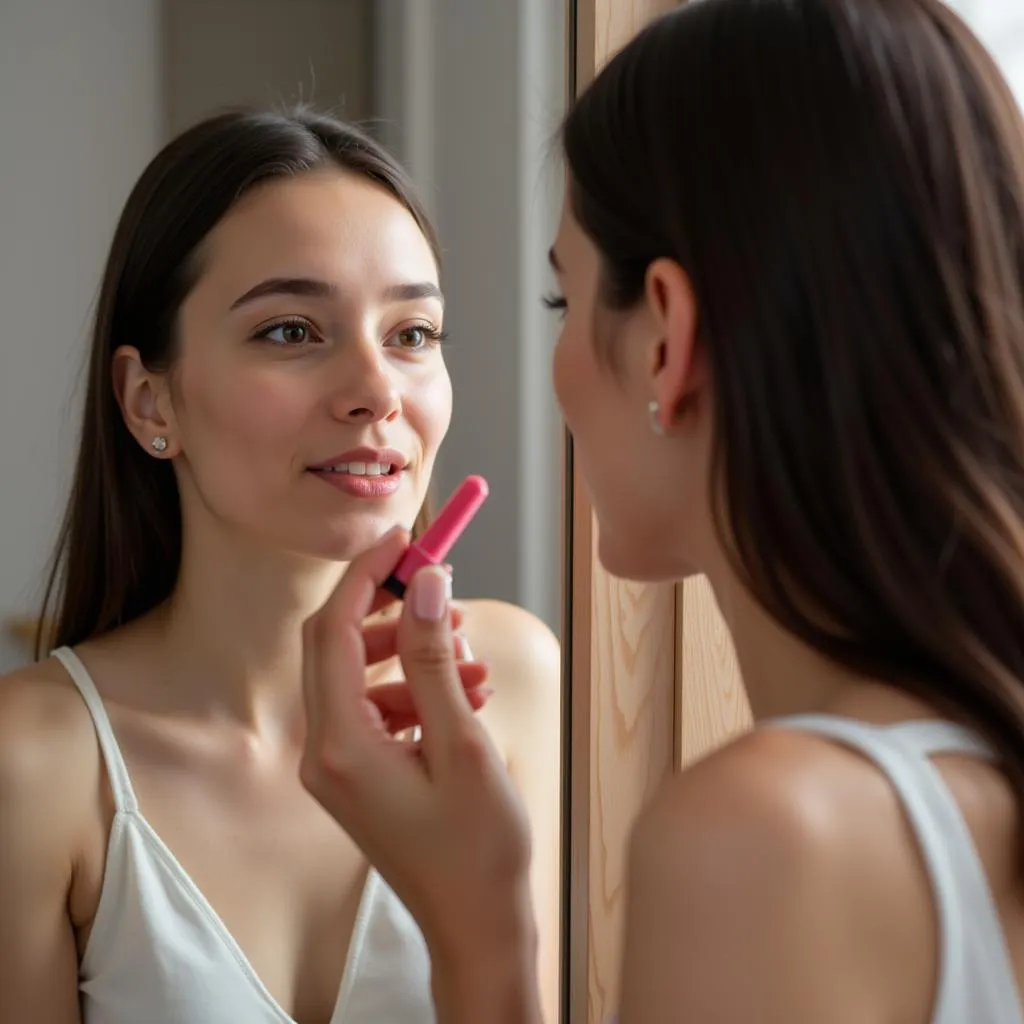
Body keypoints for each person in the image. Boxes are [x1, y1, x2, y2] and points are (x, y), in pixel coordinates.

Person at [297, 0, 1024, 1021]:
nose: (376, 390)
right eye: (291, 330)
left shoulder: (769, 838)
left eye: (564, 300)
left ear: (663, 340)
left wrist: (481, 930)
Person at [0, 108, 561, 1023]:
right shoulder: (32, 764)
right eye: (292, 332)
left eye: (413, 334)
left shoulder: (515, 685)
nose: (378, 391)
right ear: (151, 402)